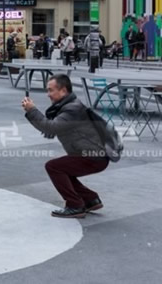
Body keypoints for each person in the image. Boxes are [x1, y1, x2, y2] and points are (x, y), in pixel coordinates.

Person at [21, 75, 109, 218]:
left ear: (63, 91)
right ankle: (90, 199)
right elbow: (55, 126)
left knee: (54, 167)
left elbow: (51, 127)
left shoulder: (71, 109)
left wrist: (31, 110)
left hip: (93, 156)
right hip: (93, 155)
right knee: (64, 169)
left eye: (51, 90)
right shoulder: (69, 105)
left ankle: (75, 205)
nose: (48, 94)